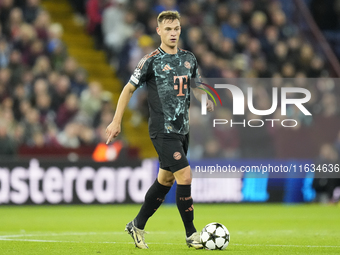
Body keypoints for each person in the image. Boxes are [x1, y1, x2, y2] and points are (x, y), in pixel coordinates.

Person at [105, 10, 214, 249]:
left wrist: (204, 96)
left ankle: (137, 224)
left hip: (181, 130)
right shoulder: (151, 60)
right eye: (168, 29)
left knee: (165, 180)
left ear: (180, 30)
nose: (172, 33)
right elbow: (128, 89)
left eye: (176, 29)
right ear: (159, 31)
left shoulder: (189, 59)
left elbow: (196, 85)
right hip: (161, 130)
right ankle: (191, 234)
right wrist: (116, 121)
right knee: (184, 175)